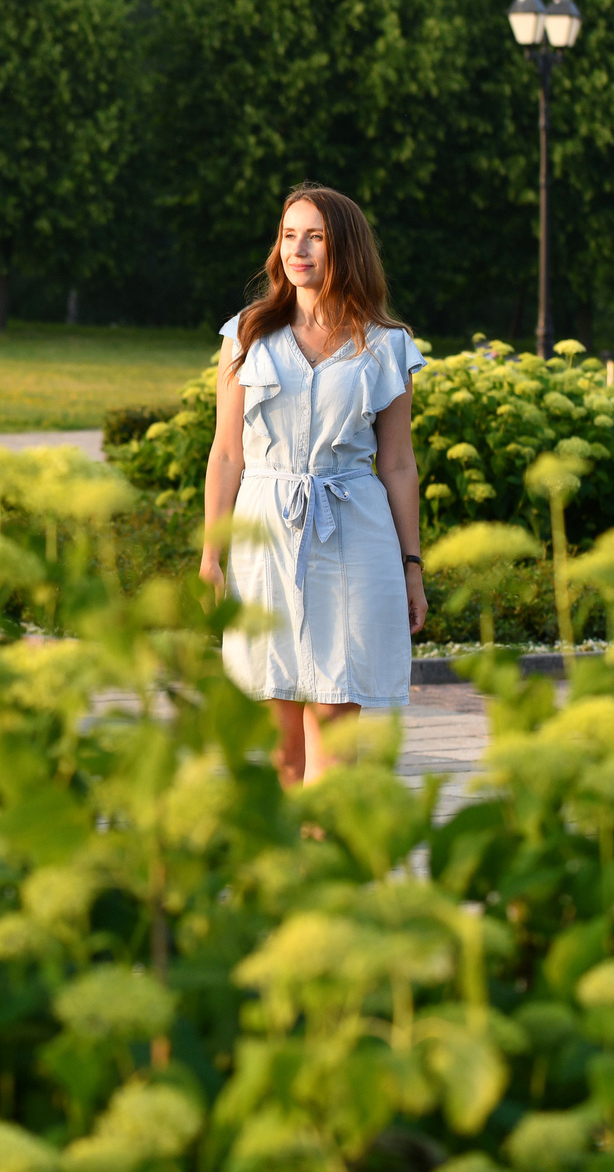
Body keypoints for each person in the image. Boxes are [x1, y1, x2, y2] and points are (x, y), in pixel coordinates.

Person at [198, 183, 428, 786]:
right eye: (289, 233)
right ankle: (286, 874)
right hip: (263, 536)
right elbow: (226, 454)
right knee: (280, 744)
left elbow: (398, 464)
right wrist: (211, 557)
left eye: (315, 236)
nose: (297, 249)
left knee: (332, 723)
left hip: (353, 535)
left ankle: (325, 864)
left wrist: (411, 565)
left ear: (344, 248)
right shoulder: (247, 335)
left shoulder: (387, 346)